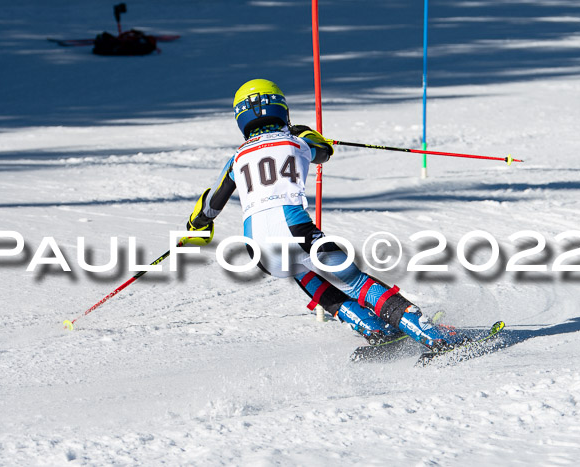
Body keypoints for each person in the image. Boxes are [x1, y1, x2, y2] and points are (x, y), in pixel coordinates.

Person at [180, 79, 459, 350]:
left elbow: (210, 205)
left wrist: (196, 227)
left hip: (257, 248)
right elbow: (324, 152)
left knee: (301, 270)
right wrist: (305, 133)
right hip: (296, 230)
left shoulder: (237, 158)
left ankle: (373, 327)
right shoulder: (296, 141)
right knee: (354, 280)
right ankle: (429, 333)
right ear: (281, 109)